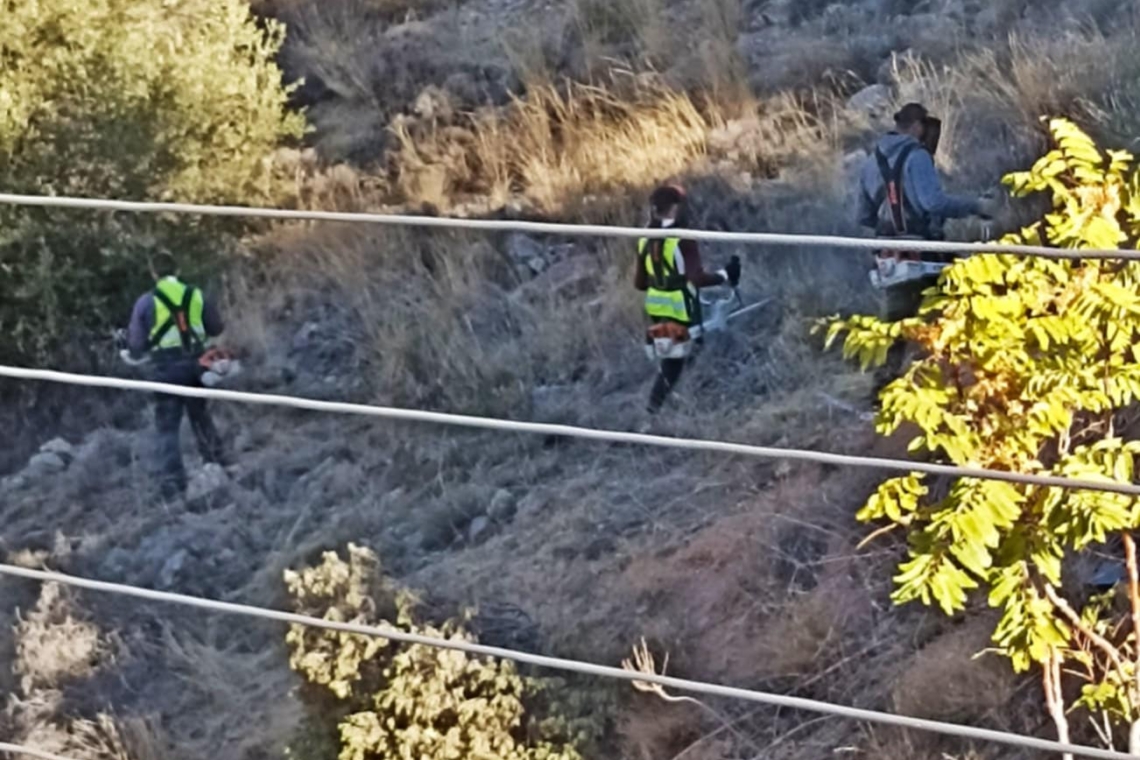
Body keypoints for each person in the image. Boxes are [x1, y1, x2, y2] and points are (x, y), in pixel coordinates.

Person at [857, 102, 998, 320]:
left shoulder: (870, 162)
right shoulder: (917, 156)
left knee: (895, 327)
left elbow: (864, 216)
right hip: (922, 253)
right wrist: (976, 206)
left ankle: (894, 351)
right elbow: (933, 203)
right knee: (942, 317)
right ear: (916, 126)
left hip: (887, 257)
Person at [127, 251, 229, 499]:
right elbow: (216, 327)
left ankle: (173, 483)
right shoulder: (197, 295)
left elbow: (136, 345)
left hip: (165, 368)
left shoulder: (146, 302)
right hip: (196, 364)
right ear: (178, 270)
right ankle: (215, 461)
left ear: (154, 273)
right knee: (200, 415)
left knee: (167, 426)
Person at [634, 184, 741, 413]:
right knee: (674, 362)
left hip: (656, 308)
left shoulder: (644, 239)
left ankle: (677, 399)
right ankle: (653, 412)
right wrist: (725, 275)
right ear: (674, 208)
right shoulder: (683, 239)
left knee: (683, 352)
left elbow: (640, 283)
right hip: (682, 309)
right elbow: (697, 278)